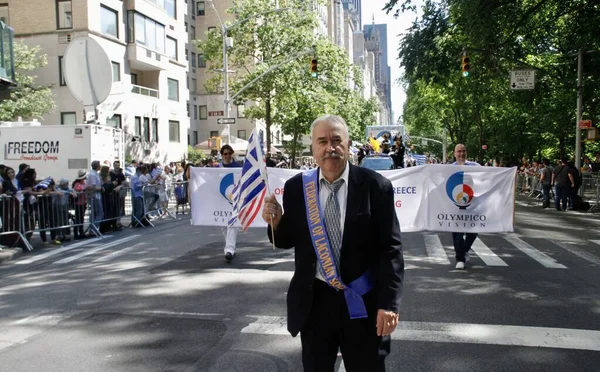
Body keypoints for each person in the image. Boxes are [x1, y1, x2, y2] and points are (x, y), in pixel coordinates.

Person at [261, 114, 404, 371]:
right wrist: (276, 223)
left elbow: (390, 250)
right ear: (314, 149)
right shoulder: (296, 189)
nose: (330, 148)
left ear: (348, 145)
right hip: (315, 305)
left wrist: (388, 304)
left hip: (363, 303)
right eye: (322, 141)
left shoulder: (375, 187)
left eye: (337, 140)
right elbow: (286, 241)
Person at [452, 144, 480, 270]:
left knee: (473, 231)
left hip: (472, 203)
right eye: (459, 151)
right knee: (457, 231)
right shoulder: (448, 168)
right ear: (454, 153)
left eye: (463, 151)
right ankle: (460, 259)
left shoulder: (476, 167)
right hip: (454, 204)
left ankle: (464, 250)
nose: (461, 154)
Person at [219, 144, 242, 262]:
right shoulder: (217, 168)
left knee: (232, 224)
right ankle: (230, 246)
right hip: (221, 199)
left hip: (234, 200)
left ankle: (229, 250)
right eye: (225, 154)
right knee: (223, 224)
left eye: (229, 153)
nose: (227, 156)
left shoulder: (237, 167)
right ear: (222, 155)